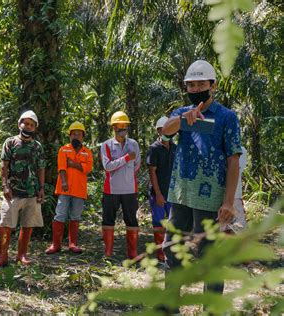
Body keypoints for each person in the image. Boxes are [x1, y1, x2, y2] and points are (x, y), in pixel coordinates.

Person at [161, 60, 242, 297]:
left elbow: (233, 160)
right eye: (191, 85)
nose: (196, 89)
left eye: (201, 84)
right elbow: (166, 130)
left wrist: (228, 202)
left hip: (210, 199)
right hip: (181, 195)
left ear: (212, 85)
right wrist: (184, 118)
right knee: (172, 250)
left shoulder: (227, 117)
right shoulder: (180, 113)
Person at [0, 110, 46, 268]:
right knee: (5, 224)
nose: (27, 126)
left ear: (34, 128)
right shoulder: (10, 142)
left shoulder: (37, 146)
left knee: (28, 224)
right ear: (19, 124)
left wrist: (41, 188)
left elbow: (41, 168)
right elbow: (4, 166)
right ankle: (2, 256)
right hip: (13, 193)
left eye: (31, 125)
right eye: (25, 123)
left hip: (32, 192)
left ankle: (22, 255)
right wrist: (5, 185)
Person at [45, 121, 93, 254]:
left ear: (83, 136)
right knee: (60, 214)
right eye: (73, 134)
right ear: (70, 136)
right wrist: (65, 182)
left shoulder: (87, 152)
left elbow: (88, 168)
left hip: (79, 189)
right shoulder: (63, 149)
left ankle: (73, 244)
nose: (76, 137)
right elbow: (62, 167)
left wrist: (71, 163)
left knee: (75, 216)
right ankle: (56, 245)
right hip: (64, 188)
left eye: (79, 134)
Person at [100, 111, 141, 259]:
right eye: (120, 125)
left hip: (130, 188)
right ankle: (109, 252)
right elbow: (107, 166)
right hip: (111, 189)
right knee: (108, 219)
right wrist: (125, 159)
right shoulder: (106, 145)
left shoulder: (134, 144)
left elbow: (137, 165)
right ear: (114, 127)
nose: (123, 127)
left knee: (131, 219)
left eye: (125, 125)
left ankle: (132, 252)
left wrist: (127, 171)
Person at [146, 116, 177, 262]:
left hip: (172, 193)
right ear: (158, 131)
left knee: (173, 223)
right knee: (158, 223)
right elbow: (152, 171)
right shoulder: (154, 149)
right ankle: (160, 255)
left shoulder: (175, 148)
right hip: (158, 193)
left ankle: (171, 252)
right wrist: (158, 194)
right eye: (162, 129)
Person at [222, 146, 248, 233]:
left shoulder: (242, 151)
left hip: (231, 197)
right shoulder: (242, 150)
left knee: (235, 229)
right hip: (234, 196)